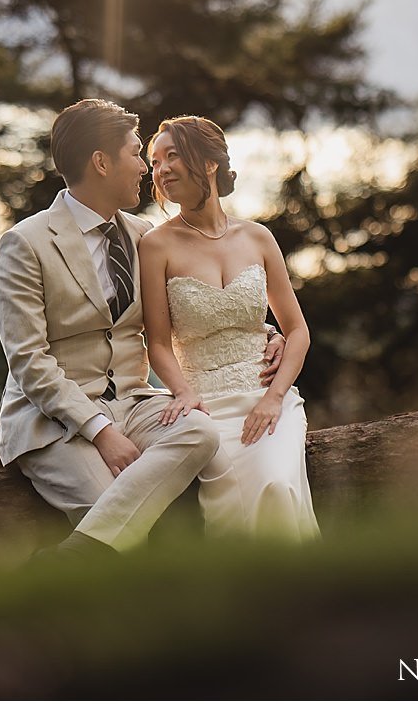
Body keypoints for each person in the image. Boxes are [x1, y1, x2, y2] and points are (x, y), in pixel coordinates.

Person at [0, 99, 284, 555]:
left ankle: (75, 557)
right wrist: (101, 433)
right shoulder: (24, 243)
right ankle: (81, 560)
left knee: (200, 432)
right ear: (101, 162)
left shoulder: (145, 235)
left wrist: (267, 334)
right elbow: (28, 361)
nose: (146, 169)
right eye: (134, 154)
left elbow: (193, 310)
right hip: (53, 419)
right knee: (109, 509)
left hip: (135, 403)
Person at [139, 115, 320, 542]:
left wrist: (275, 398)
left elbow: (297, 331)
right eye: (154, 161)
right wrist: (184, 392)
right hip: (205, 410)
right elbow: (158, 343)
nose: (161, 170)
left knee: (276, 483)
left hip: (267, 399)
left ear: (209, 163)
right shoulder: (155, 245)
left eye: (172, 156)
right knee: (237, 504)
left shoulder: (257, 237)